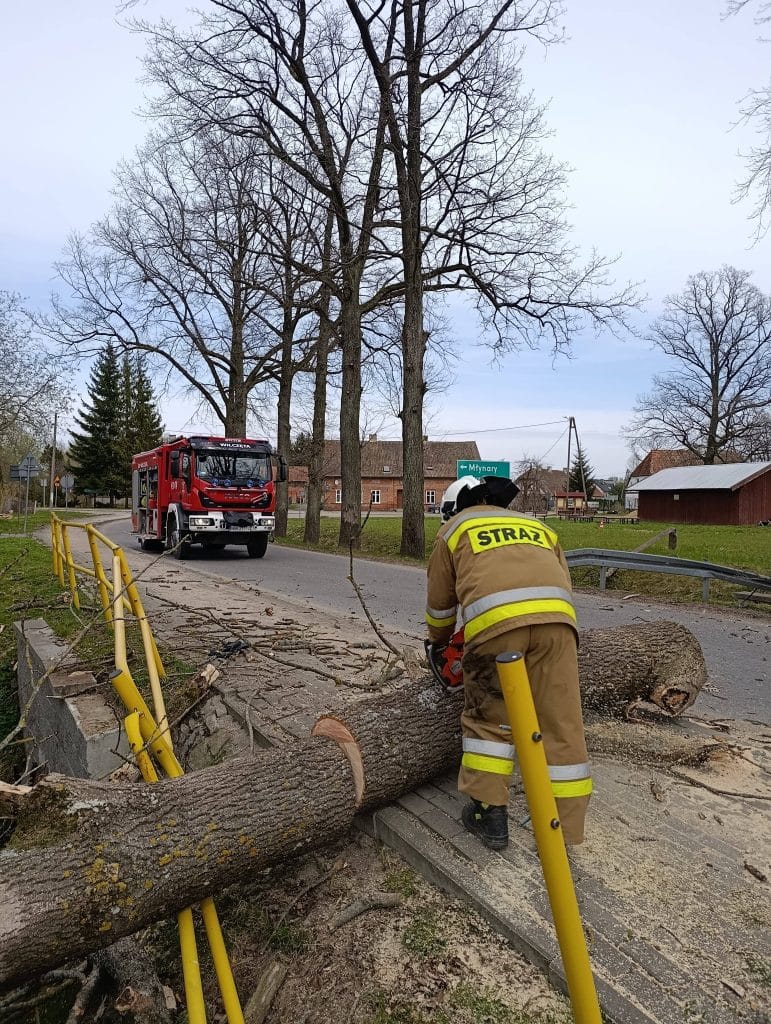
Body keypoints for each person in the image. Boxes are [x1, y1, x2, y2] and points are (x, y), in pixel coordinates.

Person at [425, 475, 591, 851]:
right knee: (561, 721)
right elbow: (562, 581)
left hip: (498, 631)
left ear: (453, 508)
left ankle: (489, 815)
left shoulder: (454, 529)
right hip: (558, 626)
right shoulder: (536, 526)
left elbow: (440, 606)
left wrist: (439, 644)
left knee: (491, 718)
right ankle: (565, 828)